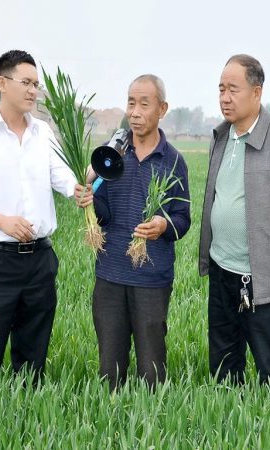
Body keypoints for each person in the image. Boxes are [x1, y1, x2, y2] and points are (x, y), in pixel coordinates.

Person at [0, 49, 89, 378]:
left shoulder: (43, 133)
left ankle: (27, 406)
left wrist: (78, 189)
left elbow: (63, 178)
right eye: (26, 82)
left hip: (40, 261)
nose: (33, 91)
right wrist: (2, 222)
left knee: (33, 363)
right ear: (2, 83)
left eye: (36, 85)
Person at [199, 54, 270, 390]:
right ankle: (226, 411)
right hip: (222, 268)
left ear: (257, 92)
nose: (225, 97)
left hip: (261, 276)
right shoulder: (220, 137)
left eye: (233, 89)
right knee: (223, 360)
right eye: (221, 89)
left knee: (269, 363)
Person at [82, 74, 190, 391]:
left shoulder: (173, 161)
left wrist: (163, 226)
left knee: (151, 372)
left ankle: (151, 419)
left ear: (162, 109)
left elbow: (183, 219)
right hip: (110, 273)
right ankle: (110, 416)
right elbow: (103, 212)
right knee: (109, 370)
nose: (135, 112)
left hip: (152, 279)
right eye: (131, 103)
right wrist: (89, 201)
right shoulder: (111, 156)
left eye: (145, 104)